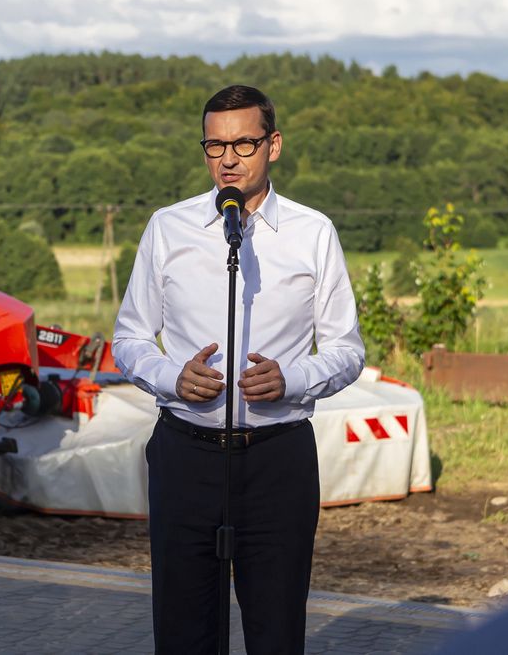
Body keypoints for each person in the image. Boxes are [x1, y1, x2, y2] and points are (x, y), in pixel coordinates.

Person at [112, 84, 365, 654]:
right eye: (214, 145)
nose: (227, 159)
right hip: (185, 456)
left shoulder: (313, 233)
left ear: (273, 145)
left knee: (276, 633)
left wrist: (291, 379)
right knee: (183, 634)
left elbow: (347, 350)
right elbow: (129, 338)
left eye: (243, 144)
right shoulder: (167, 227)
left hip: (277, 461)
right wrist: (171, 377)